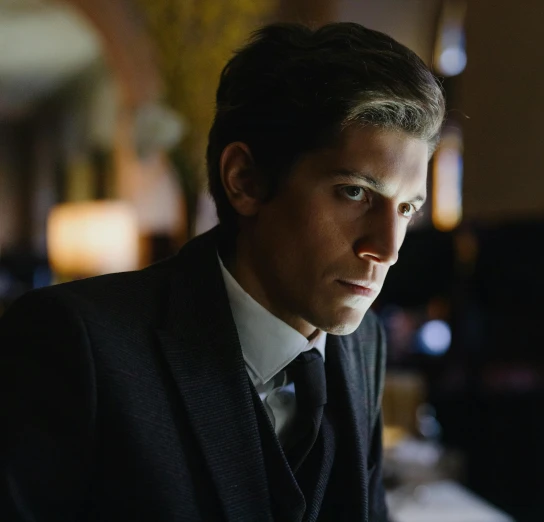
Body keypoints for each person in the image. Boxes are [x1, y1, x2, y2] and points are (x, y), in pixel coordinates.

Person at [0, 22, 445, 522]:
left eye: (406, 209)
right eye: (355, 192)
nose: (386, 249)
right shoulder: (74, 344)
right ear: (245, 181)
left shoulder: (363, 345)